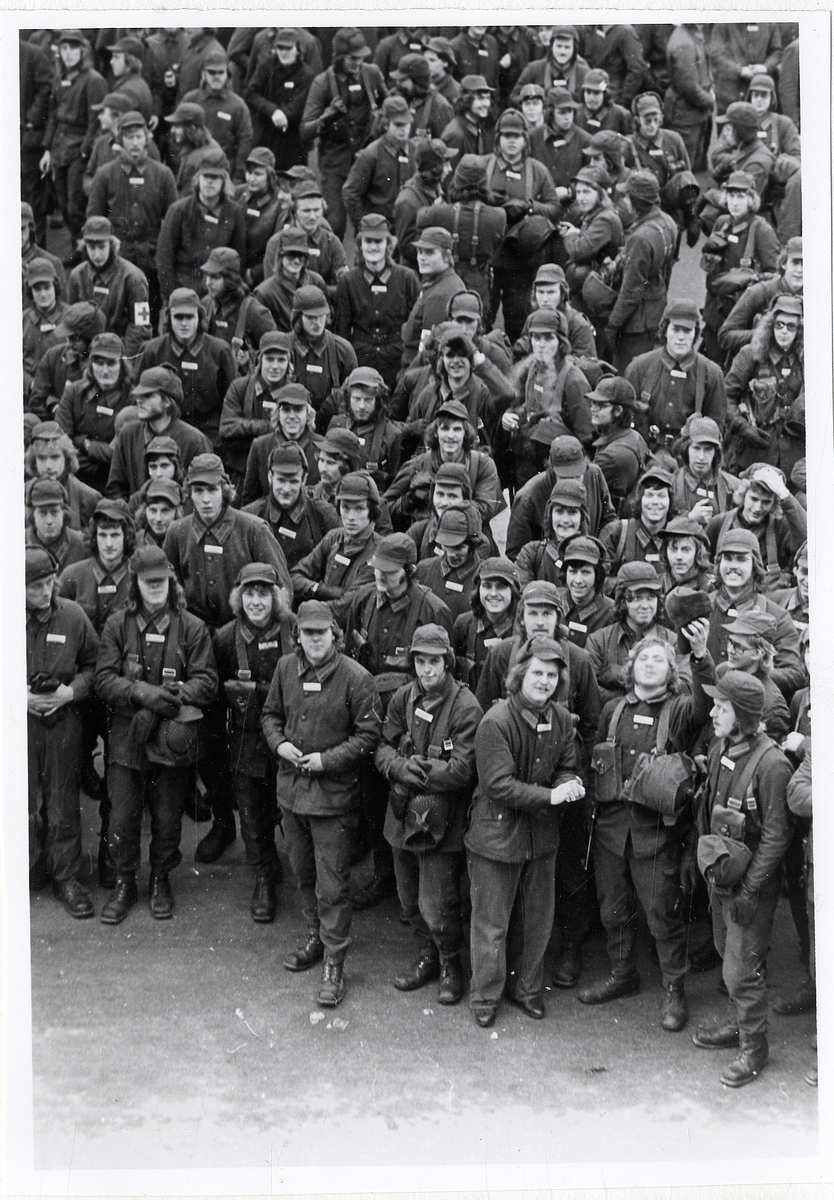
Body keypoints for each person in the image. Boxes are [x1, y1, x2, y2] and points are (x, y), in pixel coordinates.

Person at [580, 624, 715, 1029]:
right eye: (644, 658)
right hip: (610, 829)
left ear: (672, 670)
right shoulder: (613, 710)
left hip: (656, 834)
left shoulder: (681, 709)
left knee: (662, 913)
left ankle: (674, 988)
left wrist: (701, 656)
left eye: (660, 659)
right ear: (631, 666)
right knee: (613, 908)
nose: (651, 664)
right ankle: (623, 974)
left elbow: (706, 704)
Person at [163, 452, 292, 865]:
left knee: (252, 734)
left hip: (245, 643)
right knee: (207, 739)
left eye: (212, 489)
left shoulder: (252, 529)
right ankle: (222, 821)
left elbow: (282, 591)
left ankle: (267, 825)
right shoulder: (178, 532)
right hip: (199, 649)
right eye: (197, 490)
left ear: (226, 490)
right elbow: (168, 593)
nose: (205, 499)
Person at [261, 599, 382, 1007]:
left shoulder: (356, 678)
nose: (314, 639)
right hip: (292, 794)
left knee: (332, 885)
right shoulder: (284, 668)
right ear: (298, 634)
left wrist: (326, 760)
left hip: (333, 798)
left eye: (322, 632)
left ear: (335, 634)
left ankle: (335, 961)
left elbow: (369, 736)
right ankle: (315, 936)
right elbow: (270, 715)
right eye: (307, 632)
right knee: (302, 872)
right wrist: (279, 744)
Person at [94, 544, 218, 924]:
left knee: (167, 817)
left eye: (161, 580)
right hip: (127, 736)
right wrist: (140, 693)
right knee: (122, 816)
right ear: (135, 583)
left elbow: (207, 681)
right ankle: (125, 881)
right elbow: (103, 678)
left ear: (171, 581)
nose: (155, 587)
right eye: (148, 581)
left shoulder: (191, 627)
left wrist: (169, 697)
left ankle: (161, 877)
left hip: (171, 736)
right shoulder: (118, 625)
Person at [467, 634, 585, 1027]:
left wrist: (569, 783)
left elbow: (567, 764)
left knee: (537, 922)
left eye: (552, 675)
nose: (545, 681)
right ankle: (485, 996)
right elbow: (497, 785)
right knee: (492, 924)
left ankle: (528, 989)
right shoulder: (496, 720)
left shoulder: (562, 719)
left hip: (541, 836)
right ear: (520, 675)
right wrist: (553, 796)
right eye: (537, 673)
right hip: (496, 836)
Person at [693, 670, 792, 1087]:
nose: (713, 713)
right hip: (723, 876)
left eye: (722, 707)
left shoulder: (772, 764)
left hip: (751, 885)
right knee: (725, 951)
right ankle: (739, 1025)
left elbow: (777, 835)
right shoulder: (723, 746)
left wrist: (750, 889)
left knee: (740, 971)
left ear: (746, 715)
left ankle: (754, 1047)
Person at [375, 624, 482, 1005]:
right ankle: (427, 956)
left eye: (434, 661)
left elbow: (462, 770)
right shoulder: (403, 697)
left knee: (438, 903)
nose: (427, 669)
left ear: (447, 662)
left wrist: (413, 774)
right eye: (420, 661)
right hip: (401, 814)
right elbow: (383, 746)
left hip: (442, 821)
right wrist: (397, 767)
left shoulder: (466, 706)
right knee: (408, 898)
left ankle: (451, 963)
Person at [213, 562, 296, 922]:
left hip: (291, 737)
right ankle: (262, 875)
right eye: (249, 593)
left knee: (292, 810)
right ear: (239, 597)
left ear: (276, 597)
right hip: (245, 738)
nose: (256, 601)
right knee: (250, 813)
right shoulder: (225, 638)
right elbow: (215, 695)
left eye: (264, 593)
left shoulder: (295, 630)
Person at [26, 544, 100, 915]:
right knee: (19, 801)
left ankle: (65, 875)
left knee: (62, 802)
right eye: (34, 586)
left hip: (63, 721)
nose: (44, 592)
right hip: (19, 725)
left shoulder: (72, 615)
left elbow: (95, 664)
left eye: (49, 583)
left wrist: (71, 692)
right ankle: (25, 866)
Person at [86, 109, 178, 323]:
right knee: (114, 315)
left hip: (151, 260)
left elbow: (173, 221)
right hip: (116, 259)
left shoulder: (162, 175)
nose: (135, 143)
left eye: (139, 137)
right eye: (129, 137)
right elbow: (94, 219)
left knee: (147, 316)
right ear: (120, 140)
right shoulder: (105, 174)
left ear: (146, 139)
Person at [300, 28, 388, 241]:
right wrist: (327, 116)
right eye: (352, 58)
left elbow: (389, 107)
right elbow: (305, 131)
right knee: (335, 224)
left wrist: (380, 121)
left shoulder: (372, 73)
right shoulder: (322, 82)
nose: (358, 62)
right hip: (336, 160)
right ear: (339, 57)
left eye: (361, 57)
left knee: (373, 223)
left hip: (367, 158)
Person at [482, 108, 561, 344]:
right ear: (498, 138)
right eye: (507, 136)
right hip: (489, 257)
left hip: (522, 261)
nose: (512, 141)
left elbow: (554, 207)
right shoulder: (485, 166)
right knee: (484, 318)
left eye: (516, 136)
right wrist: (488, 201)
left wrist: (529, 207)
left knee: (519, 321)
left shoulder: (537, 170)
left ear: (525, 139)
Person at [704, 527, 803, 699]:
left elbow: (795, 674)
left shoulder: (776, 615)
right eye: (727, 558)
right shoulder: (702, 607)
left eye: (741, 559)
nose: (733, 566)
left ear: (755, 565)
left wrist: (754, 675)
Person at [504, 309, 593, 490]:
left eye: (548, 338)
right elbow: (517, 402)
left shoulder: (573, 379)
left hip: (560, 468)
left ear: (561, 342)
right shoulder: (531, 369)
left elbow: (587, 436)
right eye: (536, 338)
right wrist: (509, 415)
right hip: (529, 460)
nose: (541, 345)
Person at [136, 288, 237, 446]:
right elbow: (139, 392)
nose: (184, 323)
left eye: (190, 317)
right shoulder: (152, 350)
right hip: (163, 430)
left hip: (210, 433)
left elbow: (231, 398)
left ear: (200, 317)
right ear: (169, 318)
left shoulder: (220, 351)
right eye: (178, 317)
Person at [385, 399, 505, 531]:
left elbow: (486, 508)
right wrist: (409, 500)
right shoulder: (418, 465)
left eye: (457, 429)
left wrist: (446, 502)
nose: (451, 436)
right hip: (427, 535)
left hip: (470, 534)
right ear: (436, 433)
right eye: (445, 429)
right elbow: (385, 507)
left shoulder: (481, 464)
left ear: (465, 433)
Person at [700, 171, 781, 364]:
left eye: (741, 197)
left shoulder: (762, 230)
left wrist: (750, 277)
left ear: (751, 199)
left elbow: (776, 277)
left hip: (742, 315)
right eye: (731, 196)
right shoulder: (722, 223)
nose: (734, 203)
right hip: (715, 310)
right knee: (710, 363)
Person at [333, 213, 420, 394]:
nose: (373, 247)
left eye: (378, 241)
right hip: (361, 359)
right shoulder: (348, 281)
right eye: (368, 241)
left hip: (397, 360)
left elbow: (416, 326)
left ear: (388, 245)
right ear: (360, 245)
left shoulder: (406, 278)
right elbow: (341, 330)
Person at [41, 30, 107, 256]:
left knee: (75, 206)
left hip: (79, 148)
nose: (68, 53)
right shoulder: (60, 78)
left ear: (83, 51)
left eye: (73, 48)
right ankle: (78, 249)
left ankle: (86, 253)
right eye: (64, 48)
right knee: (62, 202)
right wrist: (47, 149)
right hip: (60, 147)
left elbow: (95, 122)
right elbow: (53, 116)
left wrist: (85, 151)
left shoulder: (94, 80)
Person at [625, 299, 727, 445]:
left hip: (689, 451)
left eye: (687, 330)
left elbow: (716, 428)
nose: (681, 337)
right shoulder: (638, 367)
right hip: (644, 447)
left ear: (695, 333)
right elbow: (624, 419)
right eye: (675, 329)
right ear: (665, 330)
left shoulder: (712, 374)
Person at [724, 295, 804, 479]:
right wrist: (741, 426)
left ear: (799, 329)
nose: (784, 331)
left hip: (796, 457)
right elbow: (725, 396)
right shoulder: (750, 355)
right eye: (779, 325)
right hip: (756, 451)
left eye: (791, 326)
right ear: (770, 325)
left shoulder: (809, 359)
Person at [605, 170, 677, 372]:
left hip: (636, 322)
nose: (625, 200)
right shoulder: (668, 222)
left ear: (636, 200)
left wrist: (613, 324)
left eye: (628, 196)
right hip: (656, 307)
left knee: (630, 374)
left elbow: (631, 291)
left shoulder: (640, 238)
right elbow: (668, 269)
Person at [106, 364, 212, 500]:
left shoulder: (195, 440)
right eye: (139, 395)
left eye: (148, 395)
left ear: (167, 402)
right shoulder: (128, 434)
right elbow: (115, 488)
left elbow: (204, 491)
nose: (139, 401)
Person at [155, 150, 247, 303]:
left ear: (224, 181)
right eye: (205, 176)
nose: (209, 181)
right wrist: (170, 296)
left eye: (215, 177)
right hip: (182, 289)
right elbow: (164, 256)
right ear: (198, 178)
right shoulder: (178, 210)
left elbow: (239, 258)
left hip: (219, 294)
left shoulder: (234, 212)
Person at [506, 433, 617, 557]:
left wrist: (599, 555)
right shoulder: (528, 497)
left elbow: (609, 521)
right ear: (551, 469)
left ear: (585, 466)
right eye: (564, 477)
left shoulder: (594, 474)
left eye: (577, 476)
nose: (571, 482)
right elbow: (515, 552)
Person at [586, 561, 677, 704]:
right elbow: (590, 692)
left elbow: (683, 688)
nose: (645, 606)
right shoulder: (598, 641)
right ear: (623, 601)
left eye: (651, 598)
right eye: (637, 598)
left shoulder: (672, 641)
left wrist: (620, 674)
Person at [706, 465, 807, 590]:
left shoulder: (780, 526)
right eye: (754, 499)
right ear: (743, 495)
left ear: (774, 503)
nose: (758, 508)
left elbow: (806, 540)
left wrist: (784, 494)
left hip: (768, 596)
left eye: (766, 502)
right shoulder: (719, 523)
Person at [242, 442, 339, 569]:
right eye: (281, 480)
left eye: (293, 481)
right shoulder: (250, 515)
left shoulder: (323, 515)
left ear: (304, 479)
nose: (286, 489)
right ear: (270, 477)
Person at [559, 165, 625, 348]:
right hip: (592, 297)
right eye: (579, 192)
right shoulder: (594, 216)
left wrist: (571, 236)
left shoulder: (604, 219)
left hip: (598, 302)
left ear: (601, 193)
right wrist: (577, 232)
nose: (581, 198)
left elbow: (579, 251)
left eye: (587, 192)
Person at [718, 236, 802, 360]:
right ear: (784, 263)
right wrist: (764, 335)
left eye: (805, 263)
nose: (800, 270)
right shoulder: (760, 293)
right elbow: (725, 336)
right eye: (795, 262)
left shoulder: (819, 299)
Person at [241, 382, 323, 504]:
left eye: (298, 410)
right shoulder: (261, 446)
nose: (292, 416)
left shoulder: (320, 446)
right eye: (286, 410)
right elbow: (249, 498)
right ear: (278, 413)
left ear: (308, 413)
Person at [325, 366, 403, 492]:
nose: (362, 406)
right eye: (356, 399)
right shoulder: (337, 423)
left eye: (368, 400)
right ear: (348, 398)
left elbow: (393, 485)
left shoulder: (392, 434)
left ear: (378, 400)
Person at [200, 247, 277, 375]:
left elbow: (275, 351)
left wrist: (249, 359)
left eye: (215, 277)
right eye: (207, 276)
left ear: (230, 278)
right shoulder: (206, 304)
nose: (208, 283)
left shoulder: (254, 311)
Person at [181, 49, 253, 181]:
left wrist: (238, 176)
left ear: (227, 74)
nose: (216, 76)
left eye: (221, 72)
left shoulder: (237, 106)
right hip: (192, 170)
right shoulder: (190, 100)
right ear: (203, 74)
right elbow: (177, 136)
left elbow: (245, 142)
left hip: (223, 171)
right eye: (211, 72)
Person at [288, 285, 357, 422]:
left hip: (331, 425)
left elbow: (354, 395)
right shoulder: (285, 346)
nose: (317, 322)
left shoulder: (343, 349)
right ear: (298, 317)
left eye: (321, 316)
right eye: (310, 317)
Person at [28, 302, 107, 421]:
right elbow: (37, 400)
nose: (68, 344)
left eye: (74, 339)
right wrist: (54, 407)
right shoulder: (53, 356)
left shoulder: (108, 367)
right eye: (67, 337)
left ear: (91, 340)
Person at [401, 227, 466, 367]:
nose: (422, 257)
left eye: (430, 252)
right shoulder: (439, 281)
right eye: (420, 251)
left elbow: (428, 349)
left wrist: (411, 375)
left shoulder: (441, 293)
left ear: (446, 256)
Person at [453, 556, 520, 689]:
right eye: (487, 586)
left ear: (513, 592)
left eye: (501, 586)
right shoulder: (464, 624)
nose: (493, 593)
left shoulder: (523, 628)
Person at [586, 375, 649, 513]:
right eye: (593, 403)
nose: (593, 409)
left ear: (618, 411)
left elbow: (581, 487)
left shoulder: (612, 456)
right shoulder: (634, 436)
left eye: (600, 405)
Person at [414, 502, 484, 622]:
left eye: (458, 547)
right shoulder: (424, 569)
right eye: (446, 545)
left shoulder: (484, 576)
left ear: (473, 544)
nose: (451, 554)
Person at [600, 465, 675, 575]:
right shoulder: (616, 533)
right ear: (640, 499)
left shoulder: (676, 537)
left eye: (661, 495)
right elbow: (599, 579)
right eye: (649, 495)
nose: (655, 501)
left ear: (670, 501)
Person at [394, 138, 455, 271]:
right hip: (418, 274)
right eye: (445, 164)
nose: (450, 169)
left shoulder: (436, 187)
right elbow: (406, 247)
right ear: (433, 168)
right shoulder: (407, 200)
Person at [515, 479, 590, 588]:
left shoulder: (594, 554)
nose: (565, 520)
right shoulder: (530, 553)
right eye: (559, 511)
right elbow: (524, 592)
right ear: (550, 515)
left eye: (572, 512)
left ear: (582, 517)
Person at [253, 226, 328, 332]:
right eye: (291, 255)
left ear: (306, 258)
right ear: (281, 256)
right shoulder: (264, 293)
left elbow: (327, 318)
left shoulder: (316, 281)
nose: (296, 260)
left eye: (300, 255)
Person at [663, 24, 715, 173]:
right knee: (685, 170)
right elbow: (689, 87)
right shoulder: (683, 43)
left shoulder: (691, 34)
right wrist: (710, 100)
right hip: (686, 116)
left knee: (695, 167)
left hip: (695, 114)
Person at [669, 416, 739, 526]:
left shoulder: (732, 486)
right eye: (696, 448)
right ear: (686, 449)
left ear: (715, 453)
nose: (701, 457)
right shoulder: (672, 484)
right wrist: (689, 518)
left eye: (708, 449)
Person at [527, 88, 592, 199]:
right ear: (550, 113)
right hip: (539, 201)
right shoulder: (533, 137)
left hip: (574, 202)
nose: (567, 117)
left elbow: (591, 179)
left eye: (570, 111)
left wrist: (570, 192)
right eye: (562, 112)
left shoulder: (585, 140)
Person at [707, 22, 783, 114]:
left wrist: (766, 67)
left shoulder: (769, 24)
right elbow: (716, 54)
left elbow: (776, 51)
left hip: (760, 90)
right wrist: (739, 70)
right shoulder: (724, 23)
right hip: (730, 93)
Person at [556, 533, 616, 647]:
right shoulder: (555, 601)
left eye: (586, 572)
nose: (578, 580)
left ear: (597, 575)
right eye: (573, 572)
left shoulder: (611, 613)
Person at [23, 258, 69, 398]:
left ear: (55, 286)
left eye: (47, 287)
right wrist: (30, 384)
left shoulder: (71, 317)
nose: (43, 294)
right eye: (37, 289)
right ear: (30, 290)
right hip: (31, 394)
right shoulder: (22, 321)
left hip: (65, 393)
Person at [25, 478, 90, 572]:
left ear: (64, 513)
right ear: (32, 515)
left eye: (54, 512)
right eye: (42, 513)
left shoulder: (82, 546)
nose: (49, 521)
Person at [440, 75, 495, 165]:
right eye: (480, 98)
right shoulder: (455, 135)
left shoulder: (477, 124)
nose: (486, 104)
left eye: (487, 98)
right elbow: (451, 171)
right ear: (466, 100)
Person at [656, 516, 715, 596]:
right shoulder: (656, 585)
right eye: (673, 549)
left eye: (686, 550)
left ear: (698, 553)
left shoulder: (708, 587)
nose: (678, 557)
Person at [575, 68, 633, 137]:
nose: (591, 98)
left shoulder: (621, 115)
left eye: (596, 93)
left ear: (605, 94)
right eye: (588, 92)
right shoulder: (575, 112)